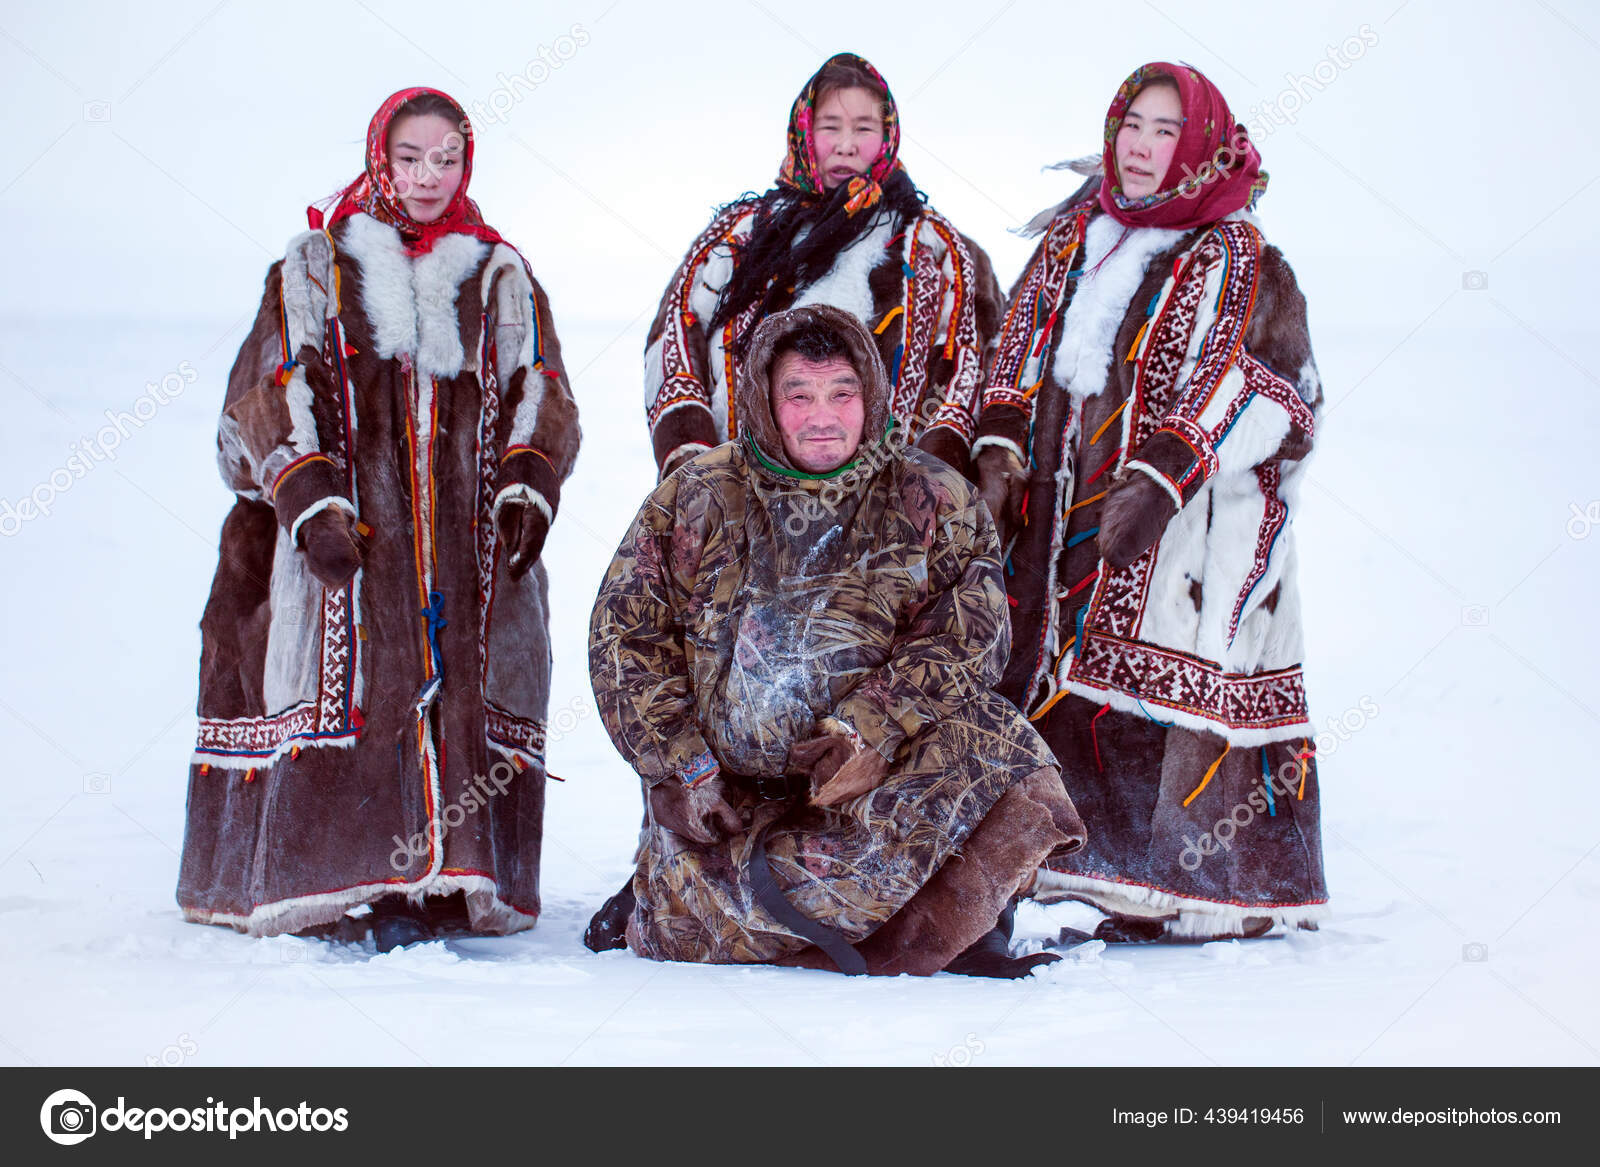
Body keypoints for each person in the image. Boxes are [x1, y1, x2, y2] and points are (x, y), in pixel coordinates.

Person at [176, 87, 581, 951]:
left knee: (457, 678)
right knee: (354, 679)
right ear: (380, 158)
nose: (429, 176)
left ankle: (445, 879)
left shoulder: (499, 271)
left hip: (464, 546)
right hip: (344, 541)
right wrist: (311, 499)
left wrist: (527, 482)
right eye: (411, 158)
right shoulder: (316, 266)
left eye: (446, 159)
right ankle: (348, 875)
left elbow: (539, 388)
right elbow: (268, 386)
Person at [585, 304, 1085, 977]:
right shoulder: (698, 495)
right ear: (765, 400)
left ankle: (971, 925)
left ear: (870, 396)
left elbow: (971, 634)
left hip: (877, 781)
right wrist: (681, 766)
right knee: (688, 924)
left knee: (1002, 744)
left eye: (841, 393)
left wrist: (869, 728)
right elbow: (628, 637)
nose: (823, 415)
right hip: (733, 807)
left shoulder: (932, 495)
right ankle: (694, 901)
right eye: (800, 395)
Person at [971, 63, 1327, 942]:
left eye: (1167, 130)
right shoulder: (1073, 240)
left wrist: (1168, 477)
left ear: (1200, 143)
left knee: (1149, 675)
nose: (1141, 145)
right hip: (1054, 518)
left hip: (1189, 539)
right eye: (1133, 123)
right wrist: (998, 449)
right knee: (1051, 669)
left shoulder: (1241, 257)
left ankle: (1174, 886)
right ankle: (1063, 864)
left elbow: (1278, 396)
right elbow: (1015, 345)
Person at [643, 52, 1002, 482]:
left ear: (888, 135)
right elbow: (675, 339)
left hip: (890, 518)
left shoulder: (936, 248)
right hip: (740, 503)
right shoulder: (738, 237)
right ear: (805, 132)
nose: (846, 144)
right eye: (830, 126)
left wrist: (927, 481)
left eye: (864, 128)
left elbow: (966, 361)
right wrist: (694, 465)